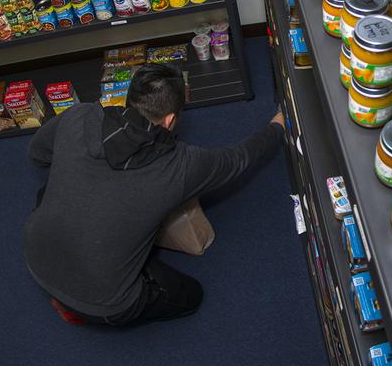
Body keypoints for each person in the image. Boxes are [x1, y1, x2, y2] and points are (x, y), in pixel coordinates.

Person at [23, 63, 285, 326]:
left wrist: (80, 171)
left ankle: (66, 293)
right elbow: (239, 159)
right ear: (170, 119)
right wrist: (278, 126)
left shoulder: (79, 114)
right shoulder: (181, 165)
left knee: (50, 191)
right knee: (190, 296)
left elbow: (38, 155)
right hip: (103, 302)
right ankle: (76, 311)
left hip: (36, 257)